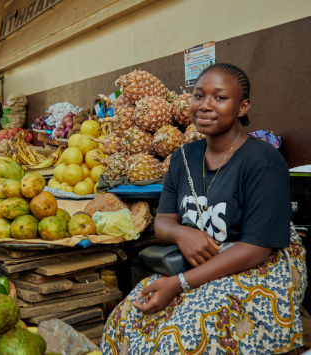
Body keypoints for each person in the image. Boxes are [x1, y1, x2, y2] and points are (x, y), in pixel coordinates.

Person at [101, 64, 306, 354]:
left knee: (182, 336)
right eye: (199, 95)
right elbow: (163, 224)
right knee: (124, 321)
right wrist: (182, 234)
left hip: (258, 265)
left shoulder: (263, 161)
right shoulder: (183, 157)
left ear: (242, 107)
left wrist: (180, 283)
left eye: (220, 98)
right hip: (198, 263)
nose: (205, 105)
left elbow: (257, 248)